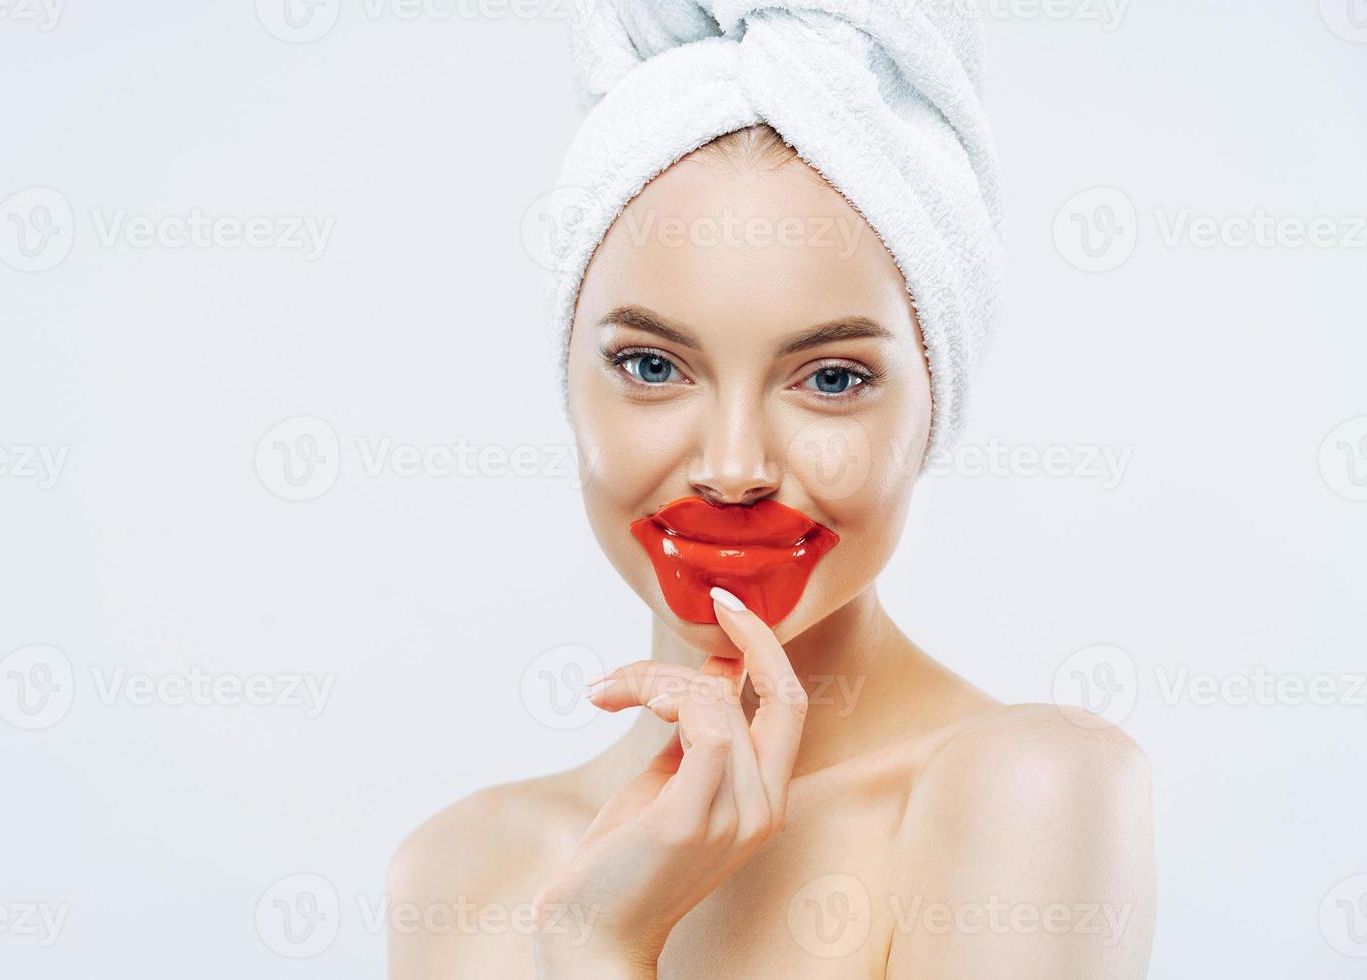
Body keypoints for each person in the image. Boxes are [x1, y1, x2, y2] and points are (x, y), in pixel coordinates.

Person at [390, 4, 1156, 977]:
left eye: (830, 378)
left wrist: (600, 948)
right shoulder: (457, 868)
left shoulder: (1032, 786)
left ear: (933, 403)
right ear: (568, 378)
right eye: (653, 365)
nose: (735, 465)